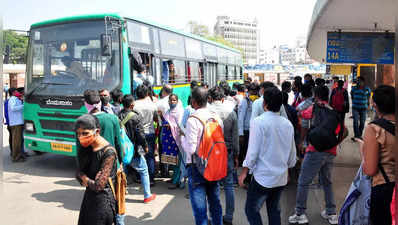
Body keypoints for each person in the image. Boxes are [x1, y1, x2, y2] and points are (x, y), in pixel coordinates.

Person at [239, 87, 297, 225]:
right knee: (274, 210)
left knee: (251, 210)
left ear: (264, 103)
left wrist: (244, 172)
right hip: (280, 178)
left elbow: (252, 152)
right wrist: (287, 171)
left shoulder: (258, 122)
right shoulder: (287, 124)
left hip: (262, 178)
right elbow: (292, 155)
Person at [289, 86, 341, 225]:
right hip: (330, 151)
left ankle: (300, 213)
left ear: (316, 96)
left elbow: (298, 112)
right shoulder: (333, 111)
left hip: (315, 150)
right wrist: (335, 143)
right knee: (327, 182)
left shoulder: (314, 108)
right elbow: (344, 131)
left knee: (303, 181)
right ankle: (331, 213)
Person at [79, 90, 125, 225]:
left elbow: (81, 152)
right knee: (116, 200)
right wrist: (120, 163)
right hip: (112, 169)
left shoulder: (83, 122)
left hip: (93, 171)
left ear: (85, 104)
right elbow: (118, 143)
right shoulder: (112, 118)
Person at [181, 87, 223, 225]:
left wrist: (182, 139)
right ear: (208, 99)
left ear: (193, 101)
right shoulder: (216, 117)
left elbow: (191, 149)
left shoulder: (193, 119)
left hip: (197, 167)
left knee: (200, 210)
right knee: (215, 203)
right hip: (214, 164)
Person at [356, 85, 395, 225]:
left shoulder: (374, 129)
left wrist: (362, 148)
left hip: (385, 190)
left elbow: (370, 170)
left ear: (375, 105)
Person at [75, 114, 117, 225]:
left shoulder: (109, 152)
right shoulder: (87, 147)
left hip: (102, 204)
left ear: (97, 132)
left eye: (85, 133)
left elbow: (99, 186)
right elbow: (78, 173)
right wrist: (88, 180)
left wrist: (84, 178)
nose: (81, 137)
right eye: (78, 134)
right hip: (89, 199)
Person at [208, 87, 239, 225]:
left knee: (211, 185)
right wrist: (237, 155)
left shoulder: (206, 112)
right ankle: (229, 217)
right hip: (227, 151)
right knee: (229, 185)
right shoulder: (231, 113)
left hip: (210, 152)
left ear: (210, 98)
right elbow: (235, 137)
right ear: (222, 99)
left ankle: (213, 216)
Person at [119, 94, 156, 203]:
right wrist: (145, 146)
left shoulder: (119, 114)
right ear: (132, 104)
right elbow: (140, 135)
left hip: (123, 150)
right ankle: (147, 195)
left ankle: (121, 193)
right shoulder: (135, 117)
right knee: (144, 170)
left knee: (123, 171)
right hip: (133, 150)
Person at [133, 85, 158, 186]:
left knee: (139, 155)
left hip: (138, 133)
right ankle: (151, 179)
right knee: (150, 156)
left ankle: (140, 178)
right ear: (147, 94)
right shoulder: (152, 105)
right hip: (150, 133)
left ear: (136, 94)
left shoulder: (134, 105)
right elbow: (156, 119)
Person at [161, 94, 184, 189]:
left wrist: (170, 125)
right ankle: (174, 177)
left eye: (174, 100)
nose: (172, 102)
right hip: (168, 139)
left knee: (178, 161)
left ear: (177, 101)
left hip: (176, 139)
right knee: (172, 160)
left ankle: (176, 181)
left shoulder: (179, 112)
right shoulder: (167, 111)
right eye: (170, 100)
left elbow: (180, 126)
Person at [238, 83, 258, 166]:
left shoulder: (259, 101)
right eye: (252, 91)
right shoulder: (245, 101)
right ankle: (245, 165)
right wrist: (241, 133)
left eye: (255, 91)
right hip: (247, 130)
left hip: (255, 129)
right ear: (248, 91)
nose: (253, 93)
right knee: (246, 149)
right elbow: (241, 117)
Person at [350, 76, 371, 141]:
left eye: (359, 81)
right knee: (355, 122)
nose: (358, 82)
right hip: (355, 108)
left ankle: (359, 135)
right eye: (357, 81)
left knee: (362, 122)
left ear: (363, 82)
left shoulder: (367, 89)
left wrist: (368, 105)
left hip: (363, 108)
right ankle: (356, 136)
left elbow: (368, 97)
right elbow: (352, 96)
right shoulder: (354, 88)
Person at [8, 87, 25, 162]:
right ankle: (15, 157)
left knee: (19, 140)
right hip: (16, 123)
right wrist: (23, 106)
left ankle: (19, 155)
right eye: (16, 91)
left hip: (19, 122)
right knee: (16, 141)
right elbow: (13, 108)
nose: (17, 92)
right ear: (13, 92)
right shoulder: (12, 99)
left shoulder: (16, 98)